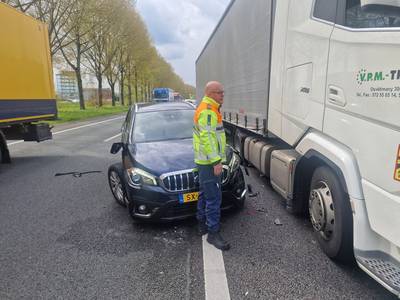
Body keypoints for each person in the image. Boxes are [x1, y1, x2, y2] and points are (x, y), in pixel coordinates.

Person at [193, 81, 230, 251]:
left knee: (204, 194)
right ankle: (213, 233)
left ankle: (201, 224)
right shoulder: (208, 110)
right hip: (209, 163)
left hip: (204, 161)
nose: (223, 95)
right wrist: (216, 161)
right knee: (214, 198)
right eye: (219, 92)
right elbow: (207, 137)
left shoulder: (209, 108)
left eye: (222, 92)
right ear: (210, 93)